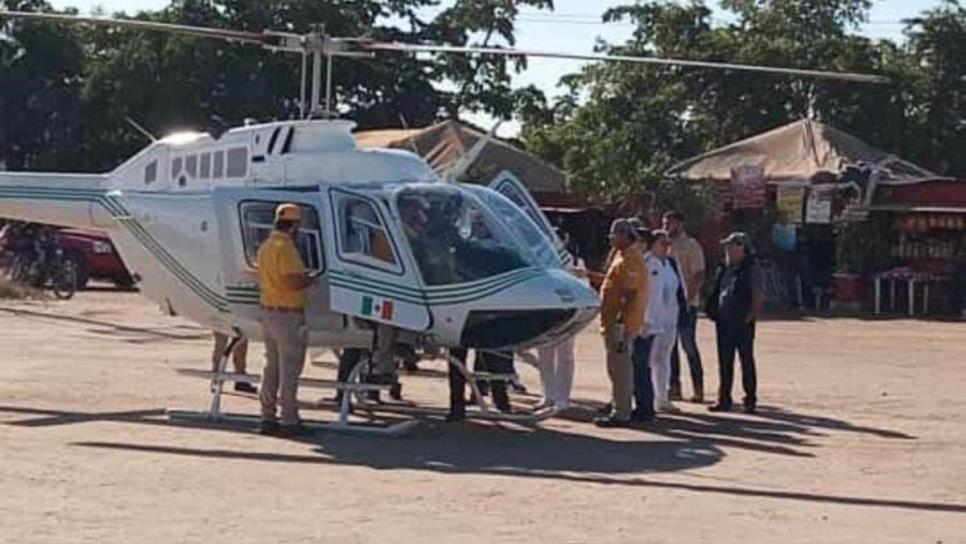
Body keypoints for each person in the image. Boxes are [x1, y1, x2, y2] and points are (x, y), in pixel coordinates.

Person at [256, 203, 317, 437]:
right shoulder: (286, 247)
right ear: (294, 225)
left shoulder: (266, 246)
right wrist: (311, 279)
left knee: (271, 367)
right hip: (288, 314)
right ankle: (289, 420)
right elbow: (292, 281)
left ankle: (267, 417)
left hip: (268, 312)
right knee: (290, 368)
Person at [595, 219, 647, 428]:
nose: (611, 238)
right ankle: (618, 403)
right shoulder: (621, 256)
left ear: (625, 235)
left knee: (621, 367)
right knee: (615, 366)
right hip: (612, 322)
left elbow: (629, 293)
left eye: (614, 234)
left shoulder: (631, 260)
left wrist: (620, 323)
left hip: (621, 324)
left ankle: (622, 412)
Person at [705, 232, 762, 414]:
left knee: (746, 360)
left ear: (741, 248)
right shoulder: (724, 267)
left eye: (731, 246)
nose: (727, 249)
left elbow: (758, 296)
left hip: (742, 320)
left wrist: (749, 317)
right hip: (723, 321)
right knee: (724, 361)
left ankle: (750, 400)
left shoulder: (751, 267)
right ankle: (724, 399)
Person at [535, 230, 586, 410]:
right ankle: (548, 395)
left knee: (564, 356)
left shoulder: (572, 260)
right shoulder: (538, 257)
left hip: (566, 312)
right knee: (545, 355)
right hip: (546, 311)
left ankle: (563, 398)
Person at [663, 211, 706, 403]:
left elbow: (698, 274)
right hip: (668, 304)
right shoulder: (664, 245)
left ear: (680, 224)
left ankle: (698, 389)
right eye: (665, 223)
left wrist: (688, 300)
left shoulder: (691, 245)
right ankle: (674, 387)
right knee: (670, 347)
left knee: (688, 345)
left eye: (670, 223)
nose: (667, 226)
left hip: (687, 303)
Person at [642, 230, 687, 413]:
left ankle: (662, 398)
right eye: (662, 243)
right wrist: (645, 318)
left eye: (667, 243)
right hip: (651, 320)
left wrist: (683, 313)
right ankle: (647, 398)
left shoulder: (671, 264)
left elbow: (679, 290)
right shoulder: (646, 263)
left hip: (669, 319)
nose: (666, 247)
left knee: (664, 358)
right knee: (648, 360)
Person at [630, 228, 656, 422]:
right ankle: (640, 403)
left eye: (636, 240)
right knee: (635, 366)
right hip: (637, 322)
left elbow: (650, 296)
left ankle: (645, 407)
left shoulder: (650, 265)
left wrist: (644, 321)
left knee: (640, 366)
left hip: (644, 324)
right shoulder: (640, 263)